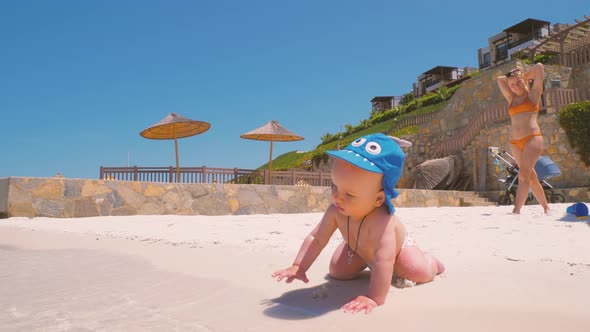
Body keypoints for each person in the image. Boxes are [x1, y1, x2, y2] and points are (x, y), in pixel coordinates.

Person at [271, 133, 445, 314]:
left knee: (417, 271)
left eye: (350, 195)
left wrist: (374, 297)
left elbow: (384, 260)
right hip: (359, 248)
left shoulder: (382, 221)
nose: (337, 197)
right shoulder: (336, 211)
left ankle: (433, 262)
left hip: (395, 252)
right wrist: (299, 266)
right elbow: (316, 238)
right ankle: (355, 245)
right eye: (334, 186)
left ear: (378, 198)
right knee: (337, 272)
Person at [496, 63, 550, 214]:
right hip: (515, 142)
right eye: (512, 85)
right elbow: (500, 80)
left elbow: (539, 67)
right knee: (531, 176)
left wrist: (523, 75)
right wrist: (511, 77)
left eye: (518, 82)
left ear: (524, 81)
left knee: (523, 175)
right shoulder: (511, 98)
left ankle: (516, 210)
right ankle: (546, 208)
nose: (515, 86)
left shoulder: (533, 94)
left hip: (532, 139)